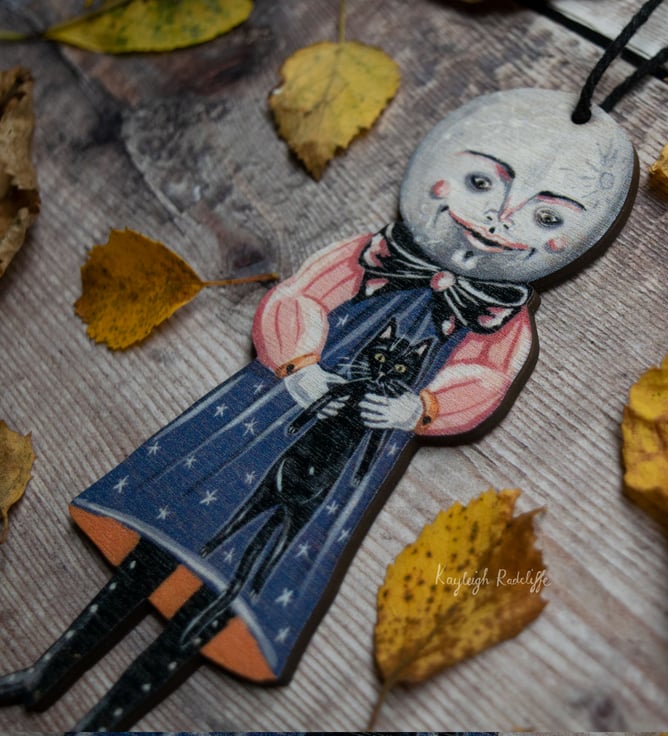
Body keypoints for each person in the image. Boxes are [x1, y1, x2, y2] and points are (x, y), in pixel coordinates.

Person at [0, 88, 636, 730]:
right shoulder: (371, 253)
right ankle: (46, 671)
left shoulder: (503, 319)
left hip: (344, 463)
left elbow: (487, 379)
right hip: (264, 418)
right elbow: (297, 297)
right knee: (171, 539)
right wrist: (299, 363)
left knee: (239, 578)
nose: (499, 219)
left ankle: (105, 721)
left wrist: (420, 406)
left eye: (546, 218)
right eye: (480, 183)